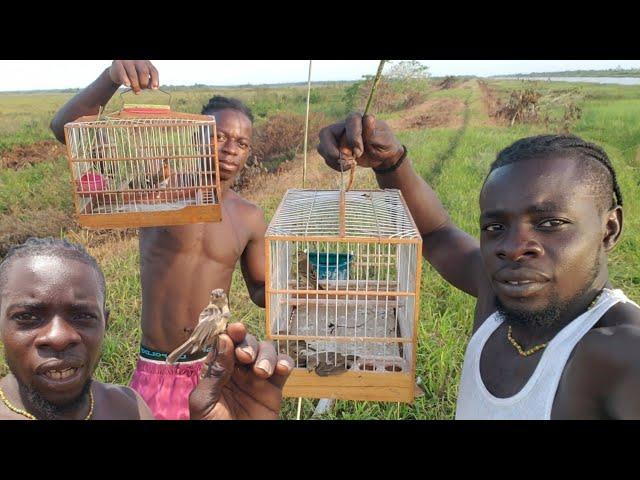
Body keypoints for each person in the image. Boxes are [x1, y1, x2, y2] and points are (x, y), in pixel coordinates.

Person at [317, 113, 640, 419]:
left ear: (609, 229)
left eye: (551, 223)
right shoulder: (495, 294)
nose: (513, 249)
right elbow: (436, 233)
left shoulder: (621, 350)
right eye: (495, 227)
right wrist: (390, 162)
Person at [50, 60, 270, 419]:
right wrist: (110, 77)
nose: (231, 148)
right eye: (219, 136)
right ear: (196, 135)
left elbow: (261, 291)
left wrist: (303, 287)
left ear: (248, 152)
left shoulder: (249, 216)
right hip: (156, 367)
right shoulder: (160, 191)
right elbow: (65, 129)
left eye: (241, 142)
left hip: (213, 369)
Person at [0, 237, 292, 420]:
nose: (59, 336)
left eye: (81, 316)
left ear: (105, 323)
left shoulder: (130, 408)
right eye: (28, 317)